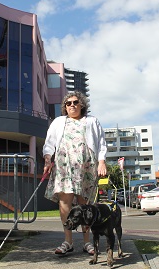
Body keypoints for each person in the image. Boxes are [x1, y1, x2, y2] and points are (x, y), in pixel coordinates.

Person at [43, 91, 107, 256]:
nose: (72, 105)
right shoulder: (58, 122)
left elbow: (101, 142)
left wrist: (101, 161)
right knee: (65, 203)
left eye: (75, 102)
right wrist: (47, 159)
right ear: (65, 107)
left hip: (86, 167)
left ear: (82, 105)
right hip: (64, 167)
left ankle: (87, 242)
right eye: (68, 103)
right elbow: (49, 142)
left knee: (85, 205)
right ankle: (68, 241)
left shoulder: (92, 121)